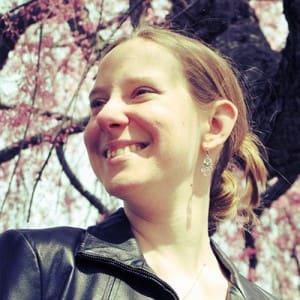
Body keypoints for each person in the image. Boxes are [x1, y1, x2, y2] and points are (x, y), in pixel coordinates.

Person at [0, 26, 276, 300]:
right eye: (97, 102)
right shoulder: (43, 266)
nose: (106, 114)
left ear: (215, 125)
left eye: (142, 92)